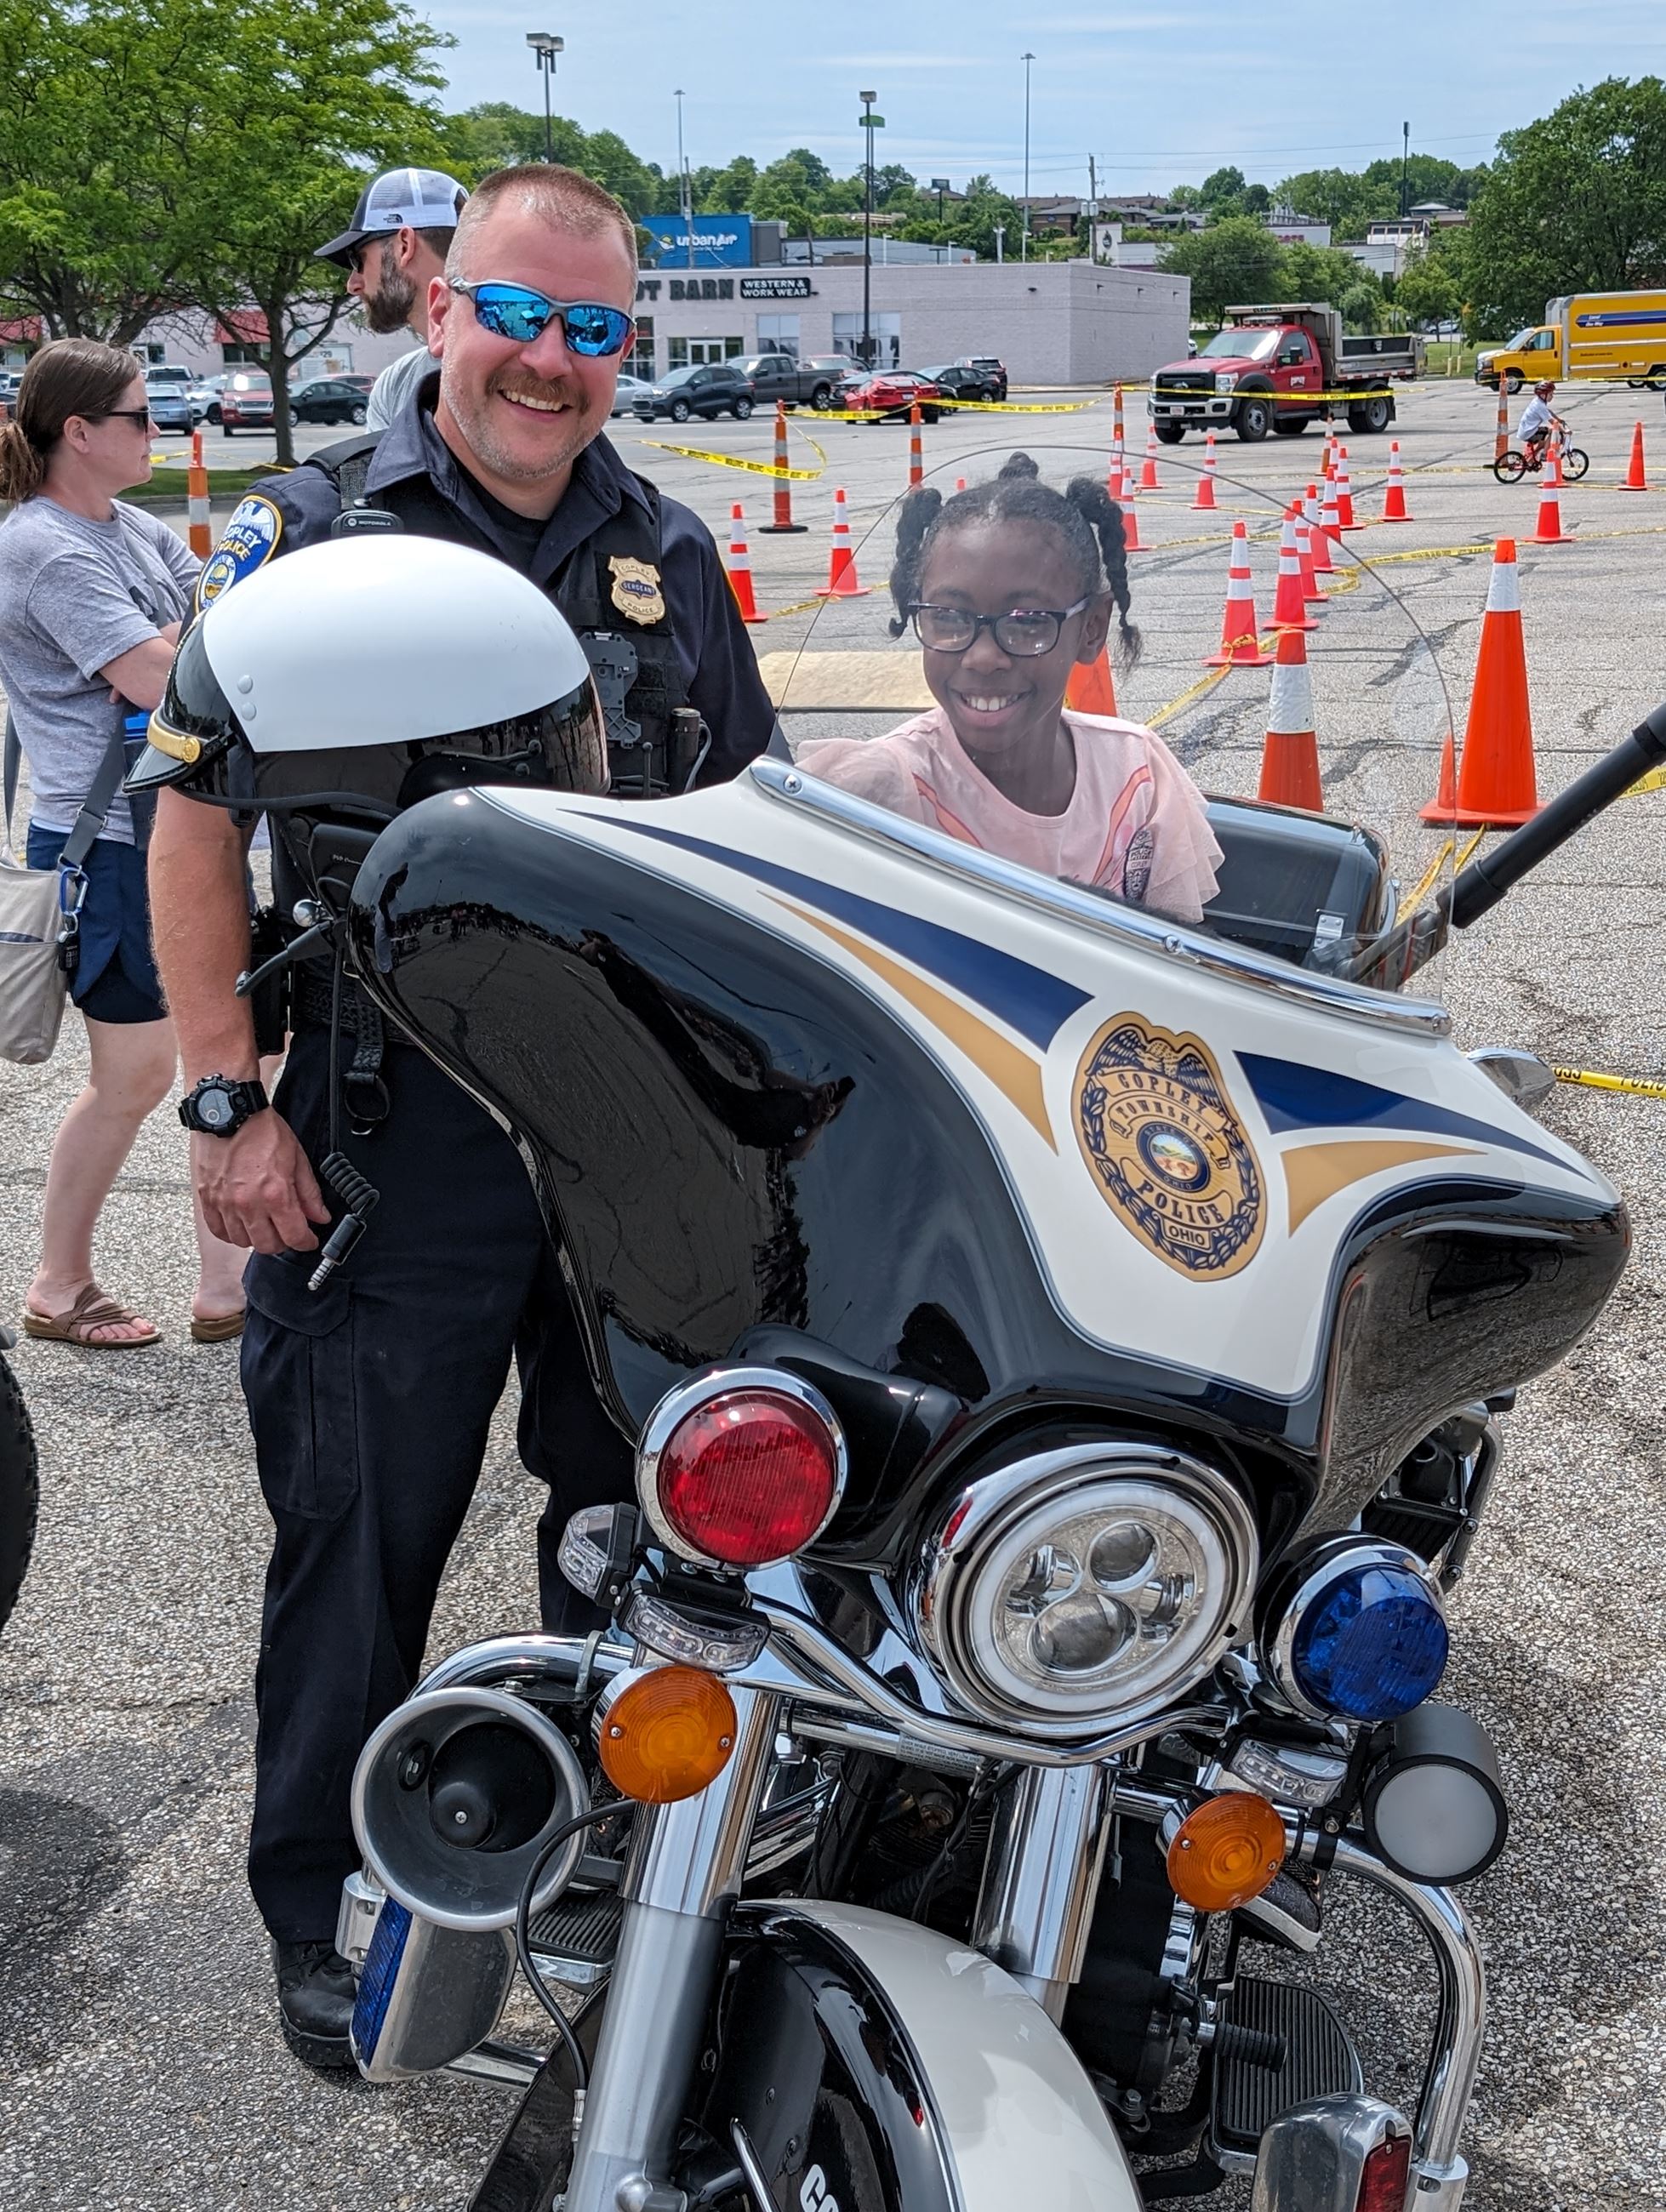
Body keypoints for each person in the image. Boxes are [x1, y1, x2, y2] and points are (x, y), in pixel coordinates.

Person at [139, 162, 778, 2068]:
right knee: (358, 1551)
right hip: (370, 1146)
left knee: (633, 1541)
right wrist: (224, 1106)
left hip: (627, 1158)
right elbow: (189, 816)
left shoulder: (663, 540)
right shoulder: (313, 531)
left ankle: (579, 1872)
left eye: (597, 330)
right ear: (438, 307)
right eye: (519, 312)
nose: (552, 360)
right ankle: (325, 1918)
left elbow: (747, 819)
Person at [0, 339, 250, 1348]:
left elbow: (223, 628)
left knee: (224, 1054)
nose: (163, 432)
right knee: (140, 1073)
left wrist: (176, 652)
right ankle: (58, 1285)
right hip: (105, 839)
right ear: (80, 433)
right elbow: (166, 678)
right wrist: (169, 654)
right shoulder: (42, 547)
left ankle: (227, 1289)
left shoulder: (132, 528)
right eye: (145, 418)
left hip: (172, 823)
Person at [802, 454, 1222, 924]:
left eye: (1028, 622)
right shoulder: (880, 793)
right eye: (948, 617)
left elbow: (1173, 960)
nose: (983, 657)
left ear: (1092, 628)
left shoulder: (1137, 776)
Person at [313, 165, 470, 432]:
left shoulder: (518, 364)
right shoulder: (393, 385)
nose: (352, 284)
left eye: (358, 260)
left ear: (405, 245)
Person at [1518, 381, 1566, 466]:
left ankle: (1530, 460)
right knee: (1553, 431)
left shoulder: (1538, 401)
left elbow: (1548, 411)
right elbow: (1552, 422)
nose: (1552, 396)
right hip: (1529, 432)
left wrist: (1558, 419)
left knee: (1543, 443)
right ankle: (1544, 455)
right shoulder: (1540, 406)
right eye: (1551, 394)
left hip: (1527, 430)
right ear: (1543, 395)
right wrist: (1564, 430)